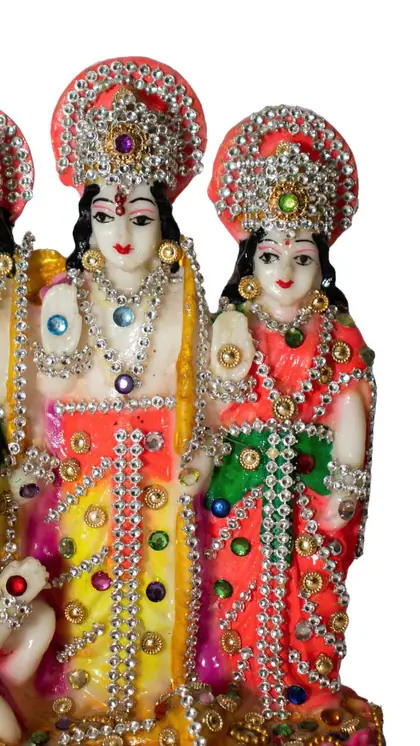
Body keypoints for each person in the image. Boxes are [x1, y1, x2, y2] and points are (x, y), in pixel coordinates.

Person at [0, 60, 213, 745]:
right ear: (85, 221)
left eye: (140, 216)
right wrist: (32, 472)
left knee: (159, 598)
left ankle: (152, 702)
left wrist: (204, 458)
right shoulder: (61, 298)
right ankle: (83, 706)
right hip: (82, 477)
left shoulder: (184, 299)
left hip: (159, 479)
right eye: (104, 215)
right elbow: (40, 403)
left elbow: (210, 404)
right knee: (82, 602)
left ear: (164, 222)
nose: (122, 232)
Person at [197, 104, 384, 745]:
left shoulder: (337, 334)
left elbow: (351, 406)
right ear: (249, 261)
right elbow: (209, 409)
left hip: (312, 492)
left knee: (313, 597)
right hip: (238, 495)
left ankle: (308, 695)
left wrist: (346, 488)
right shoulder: (229, 328)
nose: (284, 272)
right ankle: (236, 692)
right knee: (231, 593)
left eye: (301, 257)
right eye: (270, 254)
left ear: (321, 265)